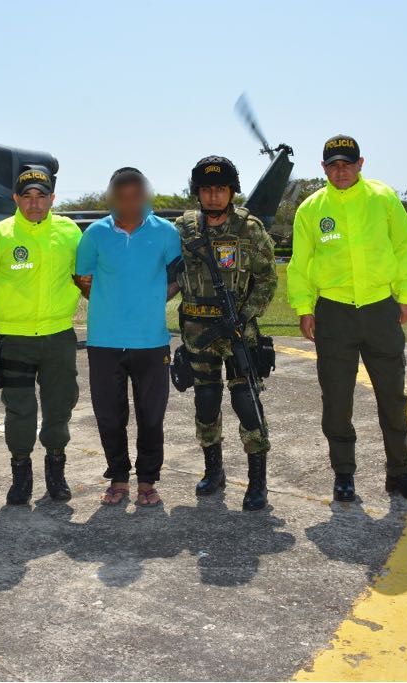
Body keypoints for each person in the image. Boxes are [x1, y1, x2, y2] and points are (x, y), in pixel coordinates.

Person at [287, 134, 407, 503]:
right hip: (334, 312)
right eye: (333, 164)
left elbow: (403, 246)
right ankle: (344, 475)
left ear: (361, 164)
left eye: (347, 163)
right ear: (323, 168)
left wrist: (406, 294)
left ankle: (399, 473)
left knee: (393, 397)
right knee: (337, 399)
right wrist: (304, 308)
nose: (341, 170)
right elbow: (300, 265)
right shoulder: (311, 209)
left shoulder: (382, 198)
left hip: (381, 308)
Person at [0, 166, 82, 505]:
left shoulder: (70, 233)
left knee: (59, 407)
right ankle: (21, 474)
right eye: (27, 197)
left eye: (41, 197)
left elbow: (87, 277)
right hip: (15, 338)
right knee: (19, 409)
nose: (34, 204)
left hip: (58, 335)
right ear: (15, 198)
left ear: (52, 199)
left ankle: (56, 472)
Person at [173, 156, 277, 511]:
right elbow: (169, 273)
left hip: (238, 332)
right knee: (206, 402)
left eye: (220, 189)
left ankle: (257, 481)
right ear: (197, 192)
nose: (213, 196)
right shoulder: (184, 229)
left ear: (232, 191)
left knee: (246, 402)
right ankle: (213, 471)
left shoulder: (249, 228)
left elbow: (267, 279)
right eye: (206, 189)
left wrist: (246, 315)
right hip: (197, 331)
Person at [74, 168, 183, 507]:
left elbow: (177, 276)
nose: (129, 201)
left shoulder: (166, 233)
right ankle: (118, 477)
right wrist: (112, 304)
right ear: (112, 196)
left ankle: (147, 480)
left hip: (151, 341)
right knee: (109, 414)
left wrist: (150, 301)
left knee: (151, 415)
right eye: (122, 195)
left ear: (145, 195)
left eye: (136, 194)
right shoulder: (95, 234)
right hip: (104, 341)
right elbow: (83, 278)